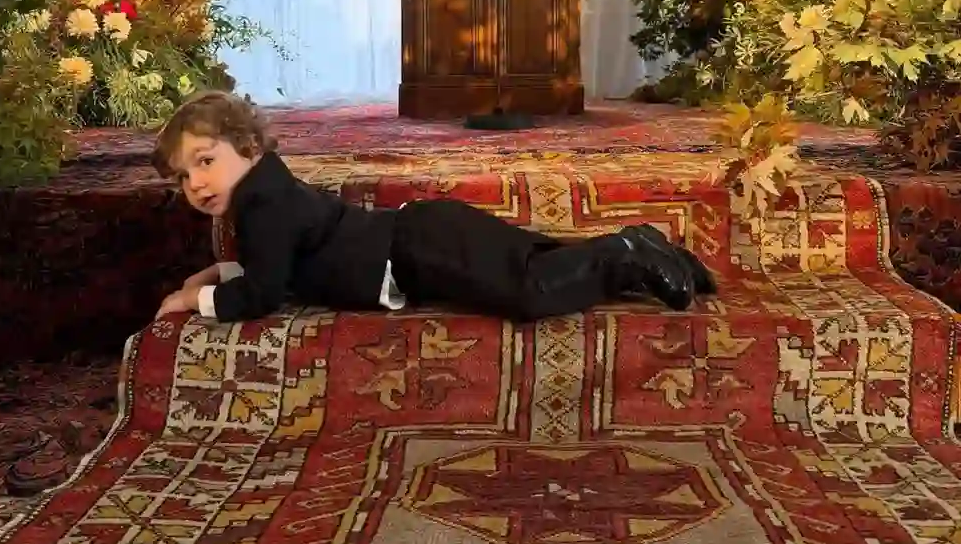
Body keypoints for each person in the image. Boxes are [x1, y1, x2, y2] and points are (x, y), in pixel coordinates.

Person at [153, 91, 716, 324]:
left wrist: (192, 299)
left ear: (248, 147)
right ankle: (649, 246)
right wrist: (221, 270)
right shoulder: (267, 194)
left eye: (205, 161)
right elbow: (280, 262)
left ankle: (629, 251)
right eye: (182, 175)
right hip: (419, 235)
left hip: (415, 250)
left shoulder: (262, 206)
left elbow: (263, 293)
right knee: (534, 263)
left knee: (530, 292)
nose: (195, 183)